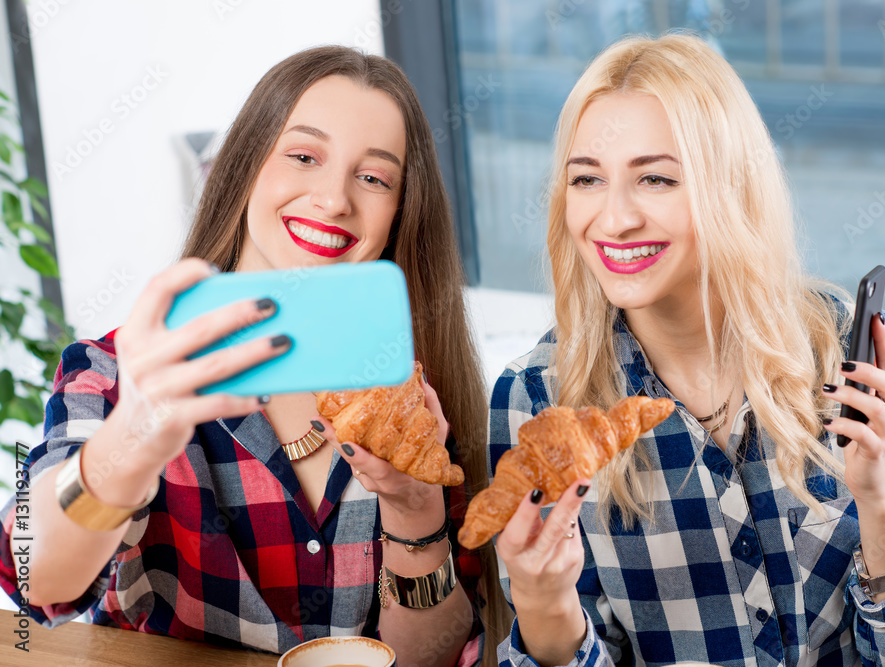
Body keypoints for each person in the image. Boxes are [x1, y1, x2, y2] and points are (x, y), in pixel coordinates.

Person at [0, 46, 509, 666]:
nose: (333, 199)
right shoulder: (118, 370)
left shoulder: (411, 401)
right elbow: (35, 576)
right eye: (303, 156)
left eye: (373, 177)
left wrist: (415, 511)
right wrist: (131, 440)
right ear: (241, 169)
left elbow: (428, 659)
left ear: (400, 212)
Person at [490, 33, 885, 666]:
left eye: (656, 178)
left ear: (729, 186)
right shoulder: (538, 399)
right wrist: (543, 599)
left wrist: (879, 501)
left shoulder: (849, 356)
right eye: (587, 180)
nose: (614, 219)